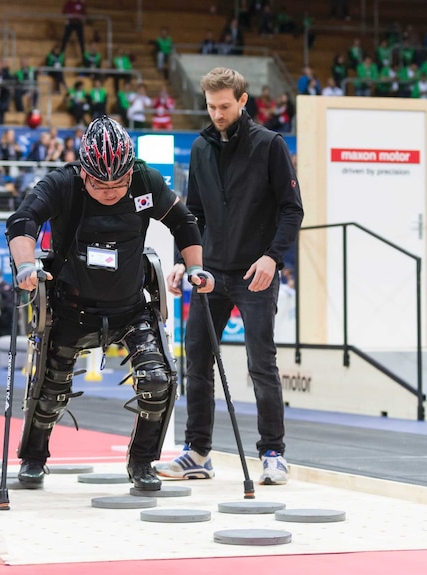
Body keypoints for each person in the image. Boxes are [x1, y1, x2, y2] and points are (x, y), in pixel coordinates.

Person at [5, 116, 214, 491]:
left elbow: (183, 222)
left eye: (119, 182)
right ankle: (34, 458)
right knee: (50, 390)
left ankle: (142, 461)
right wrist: (24, 264)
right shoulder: (62, 184)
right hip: (71, 306)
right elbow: (23, 221)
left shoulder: (145, 181)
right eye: (100, 183)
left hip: (131, 306)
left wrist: (195, 266)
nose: (111, 191)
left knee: (159, 380)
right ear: (83, 171)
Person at [155, 67, 304, 486]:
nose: (217, 114)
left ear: (242, 101)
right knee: (196, 361)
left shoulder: (270, 145)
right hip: (210, 273)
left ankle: (273, 454)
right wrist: (187, 258)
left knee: (262, 363)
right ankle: (197, 453)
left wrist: (273, 258)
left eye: (225, 106)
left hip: (256, 272)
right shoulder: (200, 148)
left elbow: (293, 209)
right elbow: (195, 214)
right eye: (210, 106)